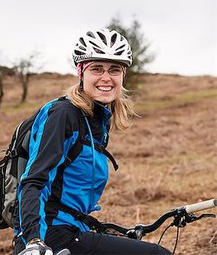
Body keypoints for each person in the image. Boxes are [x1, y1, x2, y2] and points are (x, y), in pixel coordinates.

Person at [13, 29, 171, 255]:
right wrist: (34, 240)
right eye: (97, 68)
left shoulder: (96, 119)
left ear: (123, 75)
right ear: (81, 72)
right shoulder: (63, 114)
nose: (106, 78)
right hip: (48, 237)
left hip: (71, 229)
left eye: (114, 69)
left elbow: (69, 193)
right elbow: (34, 181)